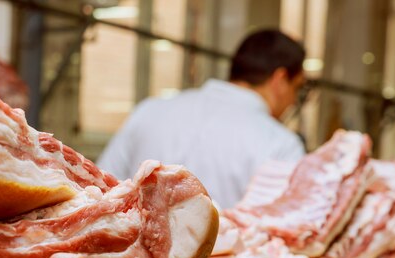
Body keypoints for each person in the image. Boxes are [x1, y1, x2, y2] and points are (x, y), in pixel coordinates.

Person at [96, 29, 307, 209]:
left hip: (135, 254)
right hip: (222, 257)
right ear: (280, 80)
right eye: (297, 88)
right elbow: (283, 232)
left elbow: (99, 190)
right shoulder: (280, 143)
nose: (293, 102)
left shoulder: (150, 109)